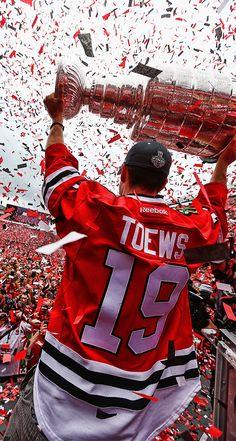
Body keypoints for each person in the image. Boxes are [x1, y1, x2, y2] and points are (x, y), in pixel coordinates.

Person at [4, 84, 235, 441]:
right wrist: (220, 164)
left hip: (60, 395)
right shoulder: (190, 234)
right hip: (134, 408)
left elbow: (57, 178)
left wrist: (58, 120)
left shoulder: (101, 213)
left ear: (123, 173)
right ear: (164, 181)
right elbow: (216, 228)